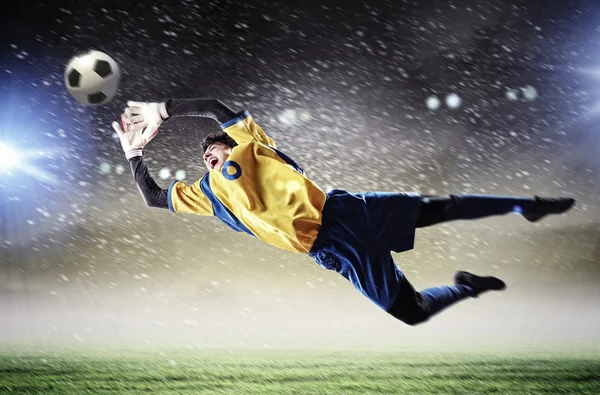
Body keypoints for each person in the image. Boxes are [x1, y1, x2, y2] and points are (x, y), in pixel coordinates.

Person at [112, 98, 575, 326]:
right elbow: (153, 198)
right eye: (207, 158)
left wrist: (163, 110)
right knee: (410, 314)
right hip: (331, 251)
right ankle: (465, 287)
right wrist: (133, 156)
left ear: (235, 144)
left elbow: (216, 108)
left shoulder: (253, 148)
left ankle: (527, 206)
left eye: (217, 150)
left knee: (442, 209)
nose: (212, 158)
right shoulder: (211, 195)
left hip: (347, 214)